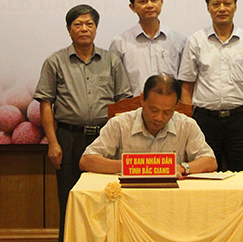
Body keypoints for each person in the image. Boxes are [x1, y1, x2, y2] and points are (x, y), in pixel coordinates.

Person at [34, 4, 131, 242]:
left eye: (89, 24)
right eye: (78, 24)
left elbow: (123, 102)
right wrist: (53, 143)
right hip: (68, 137)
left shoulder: (111, 61)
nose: (84, 29)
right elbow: (46, 104)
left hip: (104, 138)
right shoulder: (55, 62)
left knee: (108, 198)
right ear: (69, 30)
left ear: (96, 28)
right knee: (69, 200)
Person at [178, 0, 243, 172]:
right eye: (216, 4)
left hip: (240, 121)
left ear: (235, 6)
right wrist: (187, 126)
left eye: (227, 3)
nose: (222, 9)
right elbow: (187, 87)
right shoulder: (196, 41)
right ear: (208, 7)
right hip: (204, 121)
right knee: (203, 175)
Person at [80, 75, 217, 175]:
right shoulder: (119, 124)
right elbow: (87, 161)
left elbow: (210, 161)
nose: (159, 118)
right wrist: (135, 167)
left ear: (176, 106)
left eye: (167, 112)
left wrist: (181, 168)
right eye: (153, 110)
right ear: (142, 100)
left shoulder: (186, 125)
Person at [109, 0, 187, 96]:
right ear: (132, 7)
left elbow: (185, 82)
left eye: (154, 0)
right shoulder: (120, 43)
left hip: (171, 105)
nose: (149, 5)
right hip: (134, 105)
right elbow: (114, 83)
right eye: (143, 1)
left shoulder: (178, 40)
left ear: (161, 2)